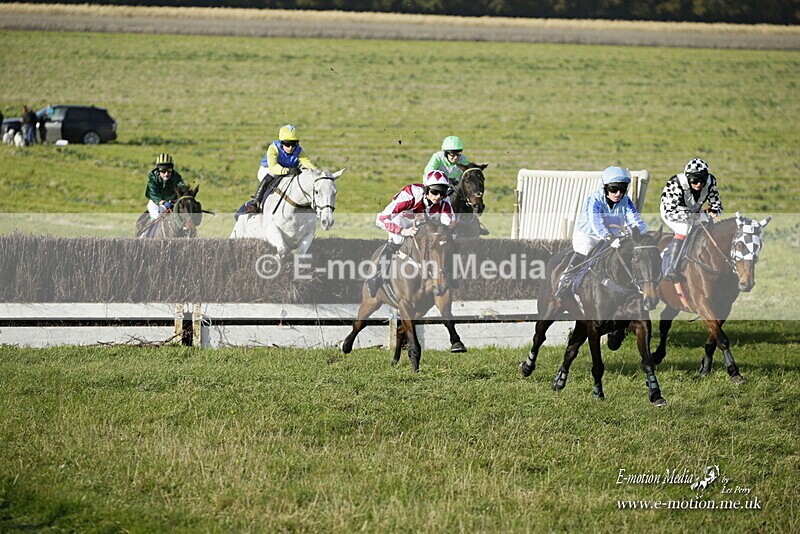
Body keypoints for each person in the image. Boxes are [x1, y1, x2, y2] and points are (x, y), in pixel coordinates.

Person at [555, 166, 648, 302]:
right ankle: (566, 279)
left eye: (622, 190)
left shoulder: (626, 201)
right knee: (585, 248)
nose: (618, 193)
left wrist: (636, 232)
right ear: (605, 187)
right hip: (589, 235)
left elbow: (636, 220)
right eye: (613, 189)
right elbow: (596, 222)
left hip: (613, 237)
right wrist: (608, 237)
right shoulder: (594, 199)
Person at [367, 170, 455, 297]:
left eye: (442, 192)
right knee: (397, 240)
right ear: (426, 190)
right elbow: (380, 219)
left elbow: (448, 223)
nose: (438, 196)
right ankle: (378, 276)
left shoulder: (445, 200)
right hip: (402, 218)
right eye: (434, 192)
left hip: (423, 221)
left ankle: (450, 273)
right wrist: (403, 231)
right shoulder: (411, 194)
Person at [660, 158, 723, 281]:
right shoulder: (676, 183)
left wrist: (712, 212)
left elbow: (717, 206)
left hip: (695, 211)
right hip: (673, 211)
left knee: (713, 226)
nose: (699, 184)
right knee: (684, 228)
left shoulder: (711, 182)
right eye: (694, 180)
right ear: (688, 178)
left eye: (702, 180)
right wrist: (688, 215)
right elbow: (669, 212)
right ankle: (672, 267)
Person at [251, 124, 318, 211]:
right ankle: (255, 202)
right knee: (272, 174)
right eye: (287, 144)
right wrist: (289, 170)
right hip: (268, 170)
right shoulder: (273, 148)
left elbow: (307, 163)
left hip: (287, 171)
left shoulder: (299, 150)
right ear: (281, 142)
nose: (291, 148)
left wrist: (318, 173)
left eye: (294, 144)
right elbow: (273, 167)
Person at [145, 153, 186, 220]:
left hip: (172, 203)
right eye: (163, 171)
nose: (166, 174)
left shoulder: (176, 177)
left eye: (169, 171)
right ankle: (151, 229)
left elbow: (182, 187)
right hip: (156, 203)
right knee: (157, 215)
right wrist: (163, 202)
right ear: (159, 171)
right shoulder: (153, 179)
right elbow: (151, 194)